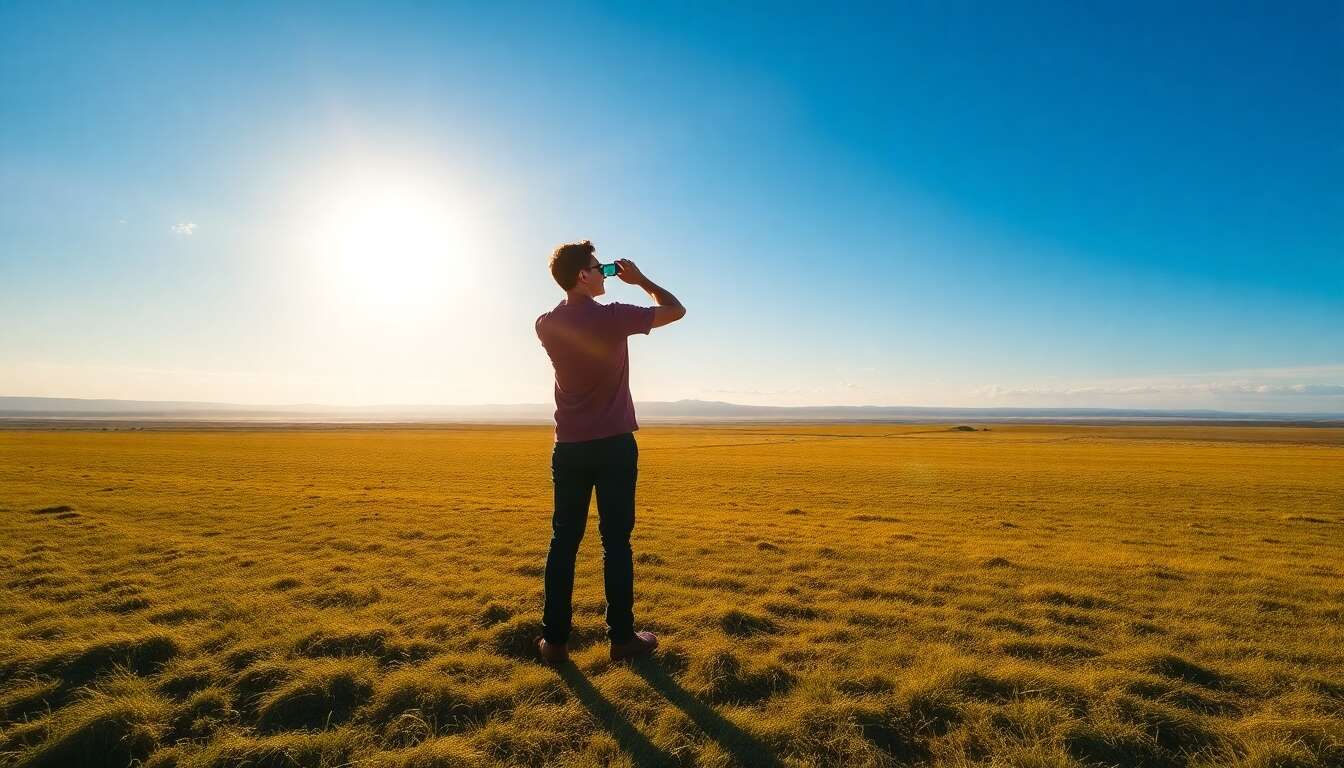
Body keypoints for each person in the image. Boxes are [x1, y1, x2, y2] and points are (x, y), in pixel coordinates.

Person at [532, 240, 686, 664]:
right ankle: (622, 640)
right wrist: (640, 281)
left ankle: (556, 642)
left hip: (570, 448)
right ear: (583, 275)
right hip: (615, 445)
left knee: (564, 541)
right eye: (597, 268)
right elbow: (676, 310)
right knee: (615, 543)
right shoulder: (615, 316)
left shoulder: (545, 324)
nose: (604, 273)